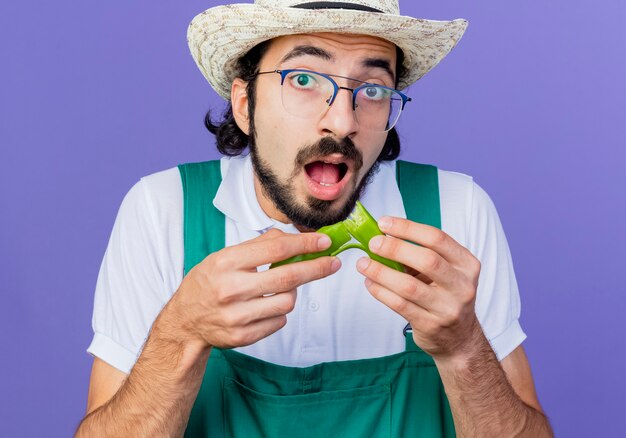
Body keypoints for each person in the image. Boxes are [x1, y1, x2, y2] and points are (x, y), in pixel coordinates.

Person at [77, 0, 553, 436]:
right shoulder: (162, 209)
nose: (344, 121)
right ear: (245, 104)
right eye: (304, 80)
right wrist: (180, 332)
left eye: (372, 89)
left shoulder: (456, 210)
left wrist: (464, 348)